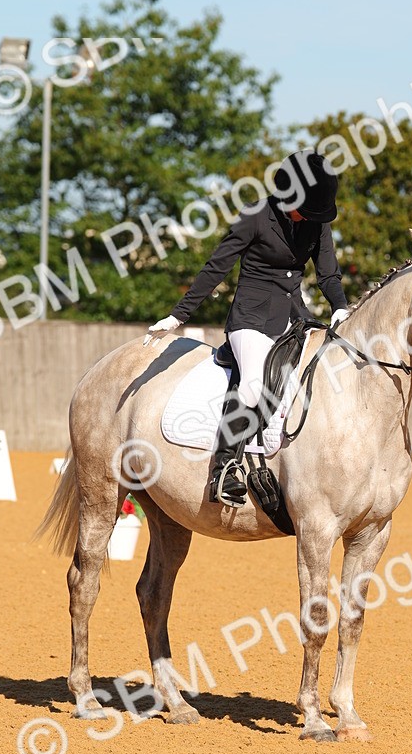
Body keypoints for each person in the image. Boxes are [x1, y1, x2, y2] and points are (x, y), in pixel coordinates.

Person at [148, 150, 350, 506]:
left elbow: (328, 273)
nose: (309, 219)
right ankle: (225, 468)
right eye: (306, 209)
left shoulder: (317, 222)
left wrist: (340, 307)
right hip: (251, 319)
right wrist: (179, 315)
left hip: (294, 317)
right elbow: (217, 267)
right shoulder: (256, 216)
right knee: (254, 386)